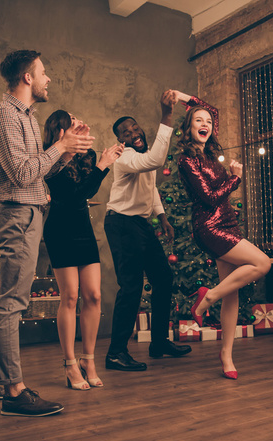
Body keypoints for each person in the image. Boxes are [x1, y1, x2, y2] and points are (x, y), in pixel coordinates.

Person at [0, 50, 94, 417]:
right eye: (44, 72)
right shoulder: (4, 115)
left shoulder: (27, 119)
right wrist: (60, 146)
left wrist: (66, 153)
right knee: (12, 302)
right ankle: (14, 391)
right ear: (27, 78)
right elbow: (20, 174)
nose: (48, 78)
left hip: (28, 212)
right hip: (17, 215)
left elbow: (38, 172)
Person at [175, 92, 271, 379]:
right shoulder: (186, 160)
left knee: (233, 291)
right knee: (263, 263)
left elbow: (212, 110)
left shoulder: (208, 155)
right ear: (189, 128)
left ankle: (226, 355)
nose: (204, 124)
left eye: (207, 121)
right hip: (210, 227)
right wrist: (235, 178)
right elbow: (209, 197)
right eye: (197, 121)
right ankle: (206, 298)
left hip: (228, 224)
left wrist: (185, 97)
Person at [104, 90, 192, 371]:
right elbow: (156, 160)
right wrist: (167, 115)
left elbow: (151, 187)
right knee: (130, 286)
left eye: (135, 128)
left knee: (163, 278)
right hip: (121, 223)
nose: (133, 134)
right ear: (121, 141)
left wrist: (163, 217)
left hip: (140, 224)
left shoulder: (142, 155)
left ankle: (159, 342)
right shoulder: (125, 157)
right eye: (126, 133)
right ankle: (116, 353)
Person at [42, 110, 123, 390]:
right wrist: (102, 164)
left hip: (83, 229)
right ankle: (69, 363)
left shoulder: (85, 157)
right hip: (59, 230)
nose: (78, 122)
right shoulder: (49, 156)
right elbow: (73, 194)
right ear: (60, 129)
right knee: (70, 297)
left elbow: (87, 192)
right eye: (72, 120)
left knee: (94, 295)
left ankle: (88, 359)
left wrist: (102, 161)